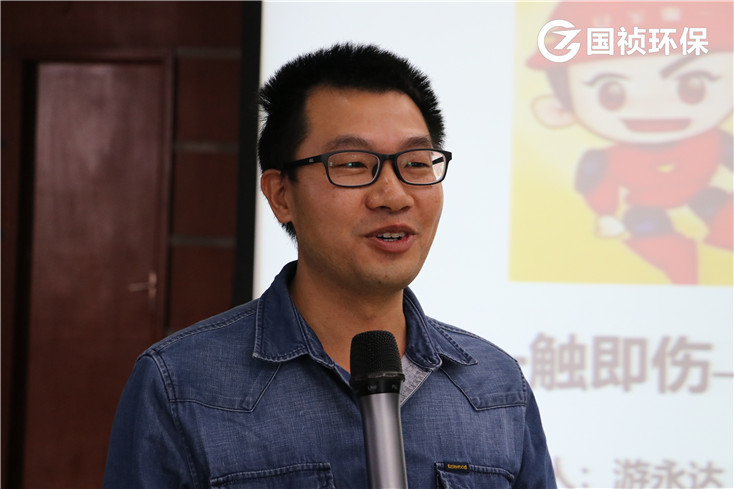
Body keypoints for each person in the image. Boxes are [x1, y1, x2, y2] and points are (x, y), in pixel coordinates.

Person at [103, 43, 556, 488]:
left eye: (416, 163)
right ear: (281, 195)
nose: (394, 196)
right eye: (354, 164)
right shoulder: (182, 385)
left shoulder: (495, 387)